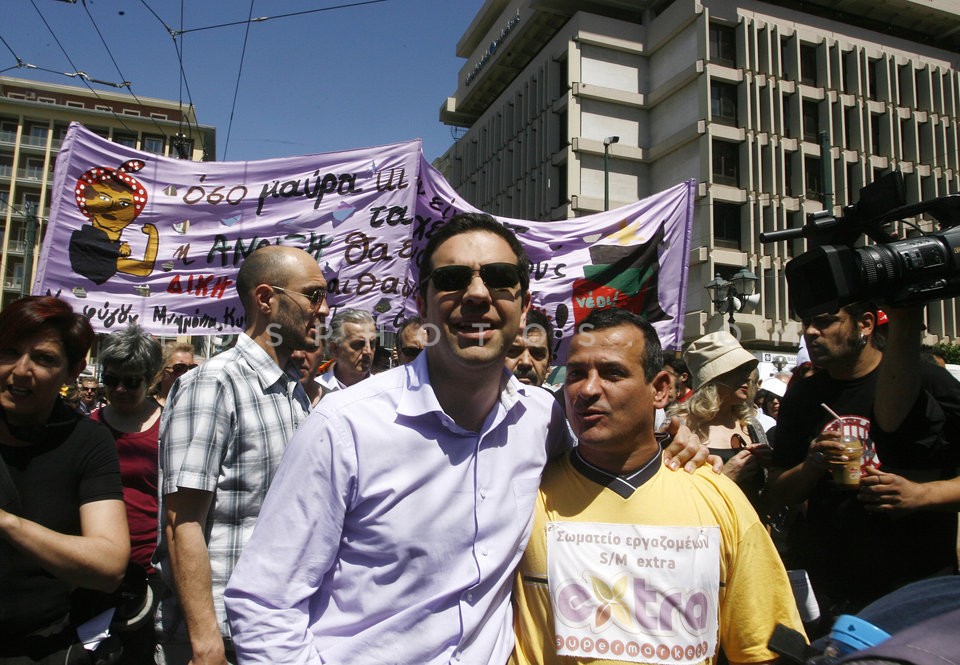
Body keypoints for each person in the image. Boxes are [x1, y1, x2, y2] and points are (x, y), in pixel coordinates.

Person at [224, 212, 709, 665]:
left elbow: (612, 465)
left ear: (523, 304)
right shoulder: (344, 426)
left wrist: (676, 437)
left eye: (499, 279)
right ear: (422, 303)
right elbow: (265, 601)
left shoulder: (544, 422)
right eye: (453, 280)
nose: (477, 294)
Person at [510, 308, 805, 665]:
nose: (587, 389)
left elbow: (764, 648)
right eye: (575, 374)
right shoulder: (523, 497)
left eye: (612, 373)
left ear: (661, 389)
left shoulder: (719, 500)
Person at [157, 245, 329, 665]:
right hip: (222, 638)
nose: (324, 310)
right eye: (314, 295)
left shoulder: (294, 391)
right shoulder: (213, 384)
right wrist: (206, 641)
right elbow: (182, 523)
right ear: (267, 299)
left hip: (277, 631)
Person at [767, 302, 960, 631]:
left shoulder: (925, 379)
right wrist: (811, 466)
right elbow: (776, 491)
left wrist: (920, 495)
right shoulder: (803, 395)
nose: (812, 332)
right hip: (832, 595)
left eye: (827, 322)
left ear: (866, 324)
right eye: (808, 322)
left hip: (916, 589)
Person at [0, 296, 129, 663]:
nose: (21, 370)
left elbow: (108, 565)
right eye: (9, 351)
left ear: (73, 371)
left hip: (40, 646)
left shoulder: (88, 441)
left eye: (43, 359)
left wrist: (8, 523)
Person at [90, 323, 164, 663]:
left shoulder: (170, 426)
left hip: (151, 572)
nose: (119, 388)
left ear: (150, 378)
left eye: (131, 381)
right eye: (111, 379)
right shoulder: (88, 427)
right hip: (96, 572)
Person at [671, 331, 771, 509]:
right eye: (738, 370)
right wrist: (724, 477)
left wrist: (768, 464)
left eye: (747, 369)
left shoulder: (751, 425)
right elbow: (670, 495)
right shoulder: (680, 426)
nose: (747, 377)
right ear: (713, 378)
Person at [316, 308, 377, 393]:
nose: (368, 351)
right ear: (335, 349)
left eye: (372, 343)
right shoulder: (315, 391)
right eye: (359, 344)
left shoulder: (385, 391)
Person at [504, 308, 554, 388]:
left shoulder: (556, 400)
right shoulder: (477, 399)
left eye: (537, 353)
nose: (526, 362)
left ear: (548, 365)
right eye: (513, 351)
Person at [152, 342, 197, 407]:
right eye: (180, 368)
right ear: (162, 371)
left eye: (192, 368)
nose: (188, 373)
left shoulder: (195, 406)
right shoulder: (147, 407)